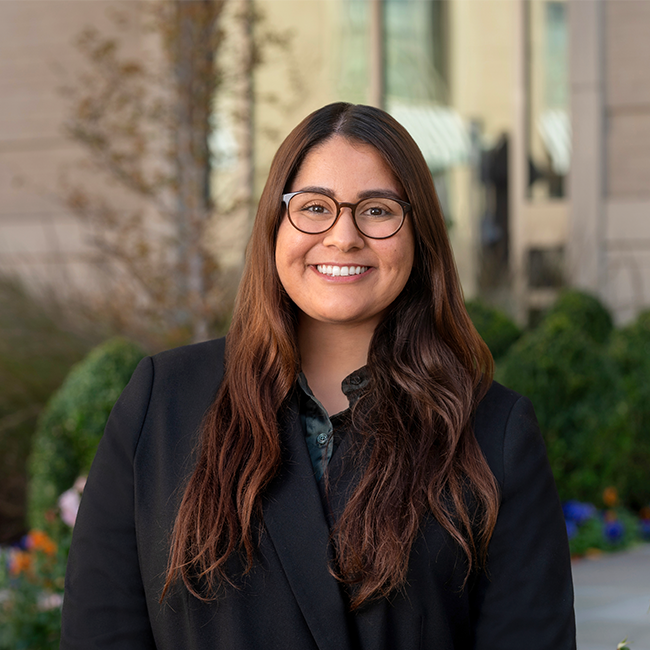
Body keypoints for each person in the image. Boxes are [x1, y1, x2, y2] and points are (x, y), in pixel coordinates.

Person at [60, 102, 576, 650]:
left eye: (377, 210)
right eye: (314, 207)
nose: (343, 236)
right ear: (275, 223)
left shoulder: (492, 431)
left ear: (419, 233)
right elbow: (102, 632)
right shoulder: (161, 402)